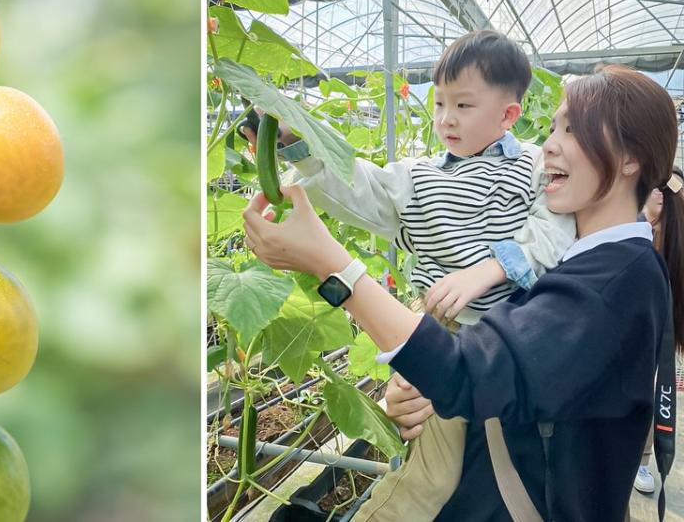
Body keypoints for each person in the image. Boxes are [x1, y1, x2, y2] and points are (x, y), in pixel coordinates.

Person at [242, 64, 683, 520]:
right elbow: (509, 374)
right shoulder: (587, 261)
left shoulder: (612, 283)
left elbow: (469, 374)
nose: (550, 143)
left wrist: (333, 265)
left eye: (573, 130)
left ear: (630, 159)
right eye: (554, 127)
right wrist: (426, 388)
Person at [633, 164, 683, 495]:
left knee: (652, 392)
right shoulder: (634, 226)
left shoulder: (676, 233)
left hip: (657, 328)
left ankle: (643, 459)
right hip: (632, 325)